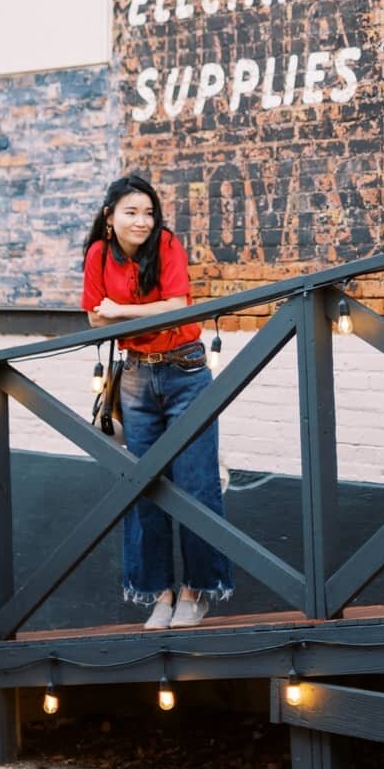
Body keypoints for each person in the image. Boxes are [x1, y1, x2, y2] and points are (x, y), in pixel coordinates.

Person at [82, 175, 233, 628]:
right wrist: (114, 312)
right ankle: (159, 593)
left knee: (197, 484)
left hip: (186, 371)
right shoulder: (97, 254)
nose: (142, 221)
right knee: (143, 488)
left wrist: (122, 310)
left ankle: (196, 591)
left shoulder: (166, 244)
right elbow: (94, 317)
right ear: (110, 217)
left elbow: (178, 304)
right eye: (131, 212)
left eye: (148, 212)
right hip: (134, 377)